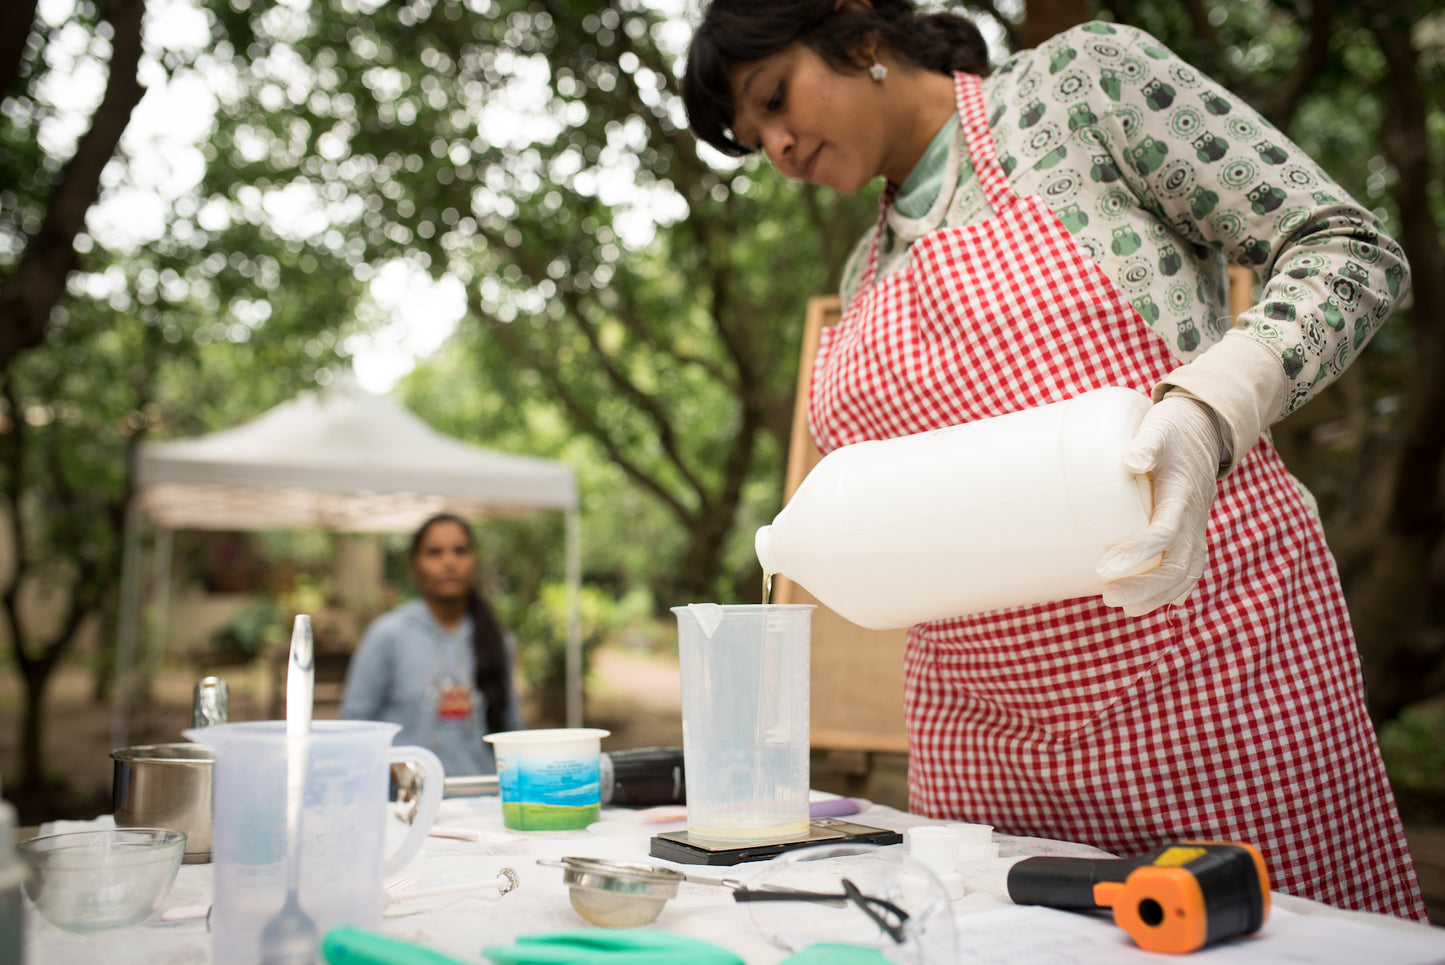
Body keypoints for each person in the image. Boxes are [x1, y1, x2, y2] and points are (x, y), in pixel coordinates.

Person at [683, 1, 1426, 920]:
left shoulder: (1079, 91)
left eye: (772, 96)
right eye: (753, 139)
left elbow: (1349, 251)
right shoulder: (860, 280)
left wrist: (1210, 404)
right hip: (981, 745)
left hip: (1206, 683)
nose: (779, 145)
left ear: (858, 33)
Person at [341, 513, 521, 775]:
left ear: (475, 561)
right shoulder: (388, 635)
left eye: (460, 551)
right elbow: (354, 725)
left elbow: (513, 729)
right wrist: (391, 766)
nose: (450, 562)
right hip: (408, 807)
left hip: (483, 801)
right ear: (414, 566)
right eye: (435, 552)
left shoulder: (497, 639)